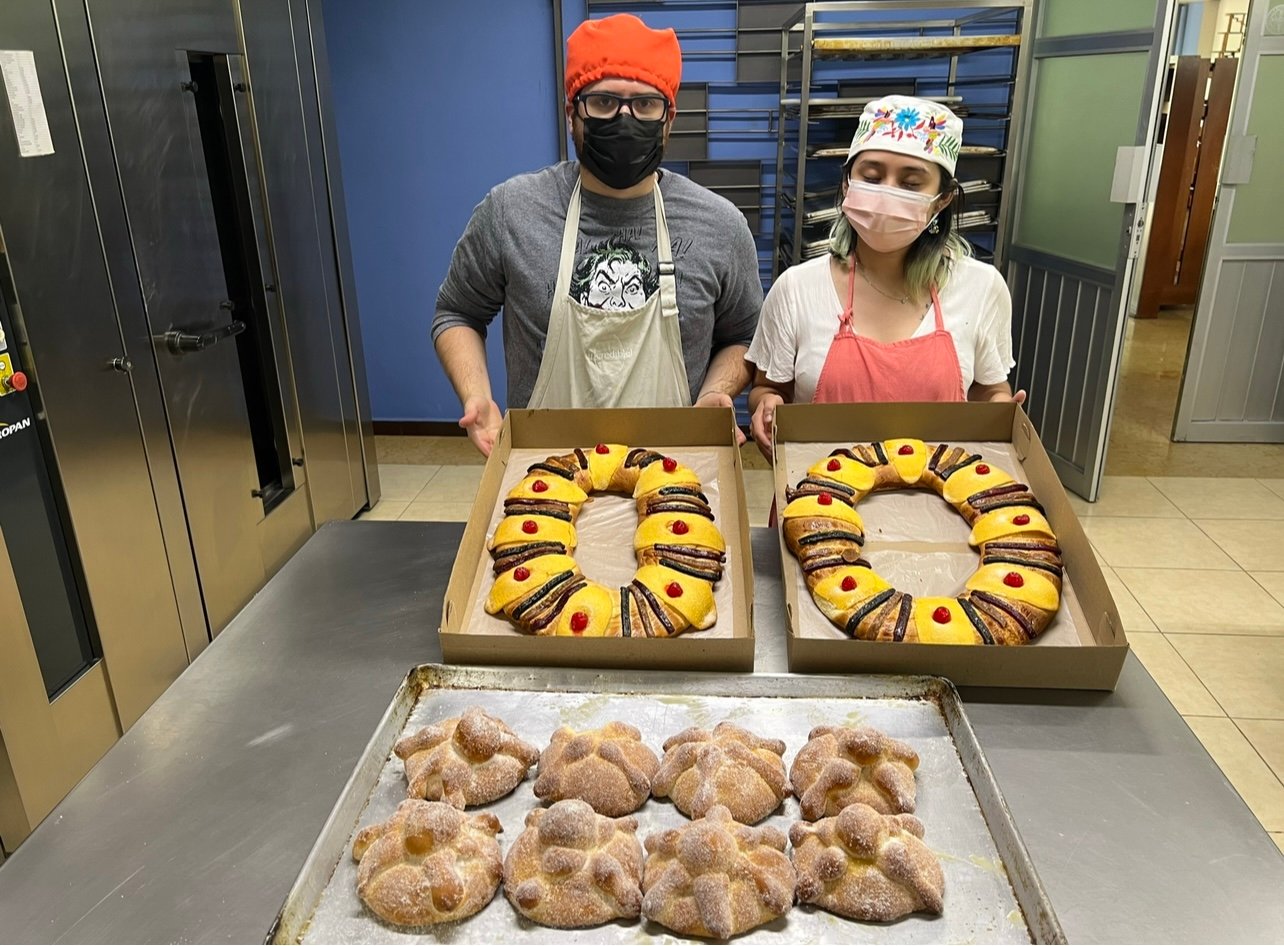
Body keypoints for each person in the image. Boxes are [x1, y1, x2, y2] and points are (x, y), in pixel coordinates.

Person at [433, 13, 763, 455]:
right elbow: (456, 312)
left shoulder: (720, 225)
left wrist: (713, 393)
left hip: (674, 474)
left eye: (645, 104)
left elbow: (745, 334)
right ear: (572, 112)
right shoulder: (512, 210)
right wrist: (477, 396)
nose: (625, 119)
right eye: (604, 102)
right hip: (545, 473)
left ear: (669, 118)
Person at [746, 95, 1025, 460]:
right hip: (820, 500)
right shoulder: (797, 289)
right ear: (847, 183)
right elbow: (770, 388)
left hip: (938, 502)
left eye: (910, 184)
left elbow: (989, 391)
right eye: (872, 177)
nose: (886, 192)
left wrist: (1001, 410)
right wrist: (766, 407)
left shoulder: (981, 288)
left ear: (942, 200)